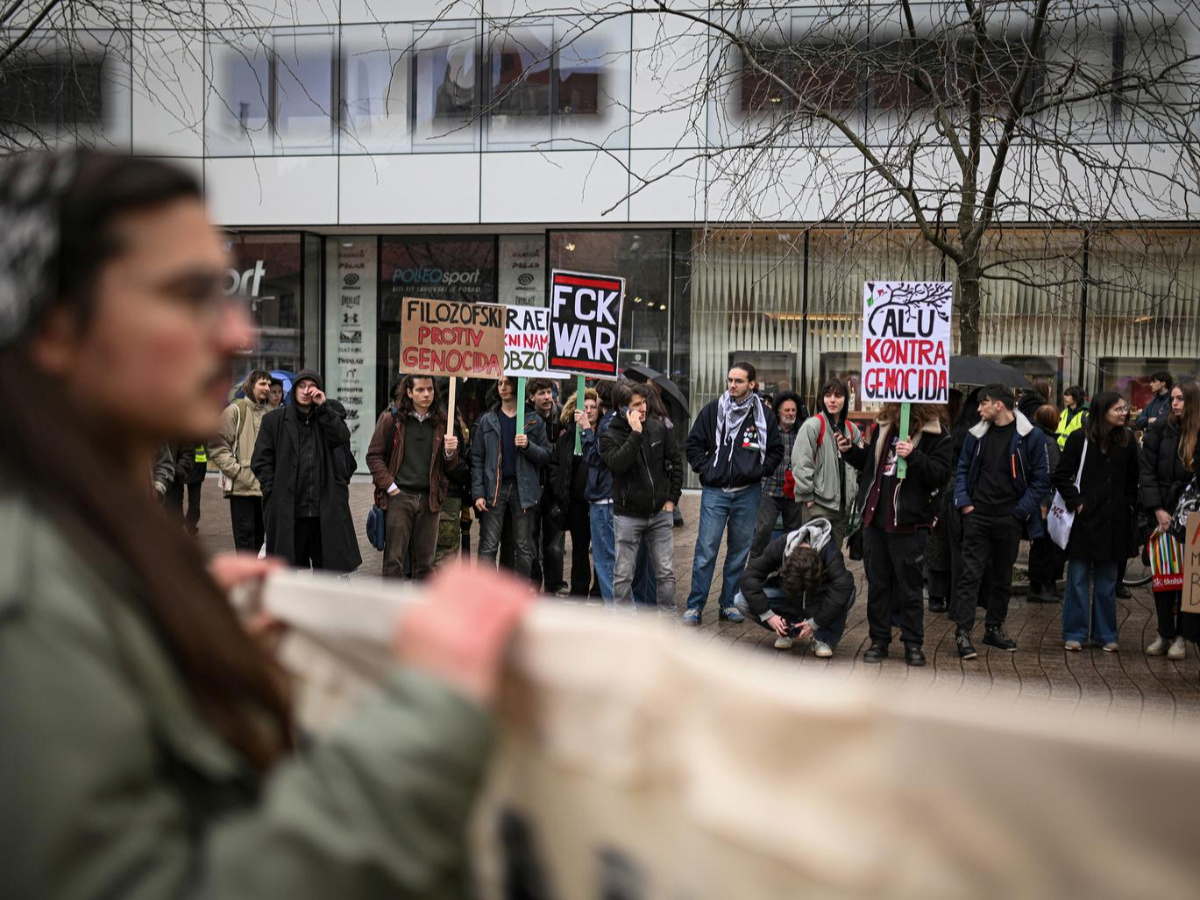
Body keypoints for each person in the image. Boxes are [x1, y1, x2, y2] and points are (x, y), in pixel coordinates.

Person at [0, 150, 531, 899]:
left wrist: (181, 659)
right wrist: (431, 708)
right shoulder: (22, 601)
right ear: (55, 328)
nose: (234, 333)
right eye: (187, 295)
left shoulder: (89, 547)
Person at [844, 403, 953, 666]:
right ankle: (879, 640)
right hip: (877, 522)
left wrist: (914, 455)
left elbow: (940, 475)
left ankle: (913, 643)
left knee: (910, 588)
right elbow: (872, 464)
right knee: (878, 586)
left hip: (909, 524)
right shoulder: (885, 428)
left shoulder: (938, 435)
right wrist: (851, 453)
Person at [951, 384, 1050, 659]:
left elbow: (1041, 480)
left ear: (999, 405)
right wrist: (966, 503)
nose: (978, 409)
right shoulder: (976, 435)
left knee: (1002, 576)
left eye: (983, 403)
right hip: (978, 515)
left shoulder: (1031, 436)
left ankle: (993, 628)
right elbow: (962, 470)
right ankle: (962, 632)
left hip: (1010, 516)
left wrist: (1020, 511)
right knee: (970, 574)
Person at [683, 362, 784, 625]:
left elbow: (775, 450)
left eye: (739, 381)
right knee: (706, 551)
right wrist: (707, 470)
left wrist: (758, 470)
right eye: (730, 380)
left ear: (752, 384)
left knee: (739, 553)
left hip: (748, 494)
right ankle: (695, 606)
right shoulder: (714, 410)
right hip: (715, 492)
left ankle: (728, 604)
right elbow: (693, 444)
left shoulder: (763, 415)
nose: (732, 385)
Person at [1054, 392, 1140, 652]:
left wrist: (1128, 506)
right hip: (1085, 520)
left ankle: (1105, 634)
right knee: (1078, 579)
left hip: (1114, 521)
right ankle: (1075, 633)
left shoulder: (1128, 440)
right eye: (1118, 409)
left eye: (1125, 408)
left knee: (1107, 581)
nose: (1124, 413)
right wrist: (1077, 502)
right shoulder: (1080, 438)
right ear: (1102, 411)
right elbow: (1061, 475)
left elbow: (1132, 478)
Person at [252, 368, 362, 573]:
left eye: (311, 387)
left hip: (323, 513)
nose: (306, 391)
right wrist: (272, 490)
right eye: (301, 386)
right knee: (289, 572)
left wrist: (324, 407)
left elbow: (341, 437)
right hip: (290, 511)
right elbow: (261, 460)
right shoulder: (274, 421)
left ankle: (321, 605)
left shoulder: (327, 418)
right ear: (293, 390)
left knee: (327, 573)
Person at [366, 375, 461, 580]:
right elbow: (374, 456)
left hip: (430, 499)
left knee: (426, 565)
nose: (426, 394)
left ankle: (421, 611)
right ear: (409, 392)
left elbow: (450, 466)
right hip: (400, 496)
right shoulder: (392, 418)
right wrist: (391, 488)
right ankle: (393, 610)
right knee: (393, 562)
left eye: (429, 389)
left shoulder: (443, 421)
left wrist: (450, 452)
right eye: (420, 390)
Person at [601, 382, 684, 615]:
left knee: (665, 571)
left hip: (659, 513)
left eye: (645, 402)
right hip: (628, 515)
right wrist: (636, 433)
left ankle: (668, 621)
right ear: (622, 408)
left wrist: (672, 499)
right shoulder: (610, 434)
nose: (644, 407)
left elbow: (676, 462)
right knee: (623, 574)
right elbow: (618, 464)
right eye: (637, 404)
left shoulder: (658, 428)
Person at [734, 517, 856, 657]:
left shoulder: (829, 551)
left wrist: (816, 622)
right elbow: (749, 577)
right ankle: (787, 630)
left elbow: (843, 586)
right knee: (741, 600)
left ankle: (823, 639)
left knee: (849, 592)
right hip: (788, 597)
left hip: (817, 599)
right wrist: (768, 615)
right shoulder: (780, 546)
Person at [1139, 380, 1199, 658]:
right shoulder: (1160, 430)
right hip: (1162, 515)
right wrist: (1157, 510)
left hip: (1193, 520)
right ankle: (1165, 633)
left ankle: (1183, 638)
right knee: (1164, 576)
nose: (1174, 403)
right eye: (1173, 398)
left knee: (1190, 580)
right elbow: (1147, 470)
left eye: (1180, 399)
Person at [472, 374, 551, 577]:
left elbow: (546, 455)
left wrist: (527, 445)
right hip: (494, 489)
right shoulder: (488, 420)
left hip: (523, 490)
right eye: (499, 383)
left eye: (507, 383)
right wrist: (478, 492)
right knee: (488, 546)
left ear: (517, 385)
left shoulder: (533, 420)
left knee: (524, 547)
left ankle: (519, 594)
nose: (503, 387)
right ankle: (486, 592)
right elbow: (478, 458)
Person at [792, 377, 863, 551]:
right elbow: (801, 463)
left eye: (838, 395)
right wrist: (808, 498)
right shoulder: (813, 425)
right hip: (817, 506)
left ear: (845, 399)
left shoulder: (851, 429)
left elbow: (859, 465)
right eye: (828, 395)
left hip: (841, 508)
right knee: (812, 557)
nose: (832, 400)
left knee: (833, 559)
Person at [210, 370, 271, 551]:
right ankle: (246, 578)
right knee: (245, 540)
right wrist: (237, 471)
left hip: (265, 489)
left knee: (260, 539)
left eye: (269, 384)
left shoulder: (270, 413)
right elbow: (217, 445)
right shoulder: (235, 411)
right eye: (262, 383)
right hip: (241, 489)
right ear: (250, 386)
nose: (267, 388)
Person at [549, 388, 600, 599]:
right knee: (579, 548)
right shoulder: (568, 436)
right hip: (577, 502)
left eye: (593, 407)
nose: (589, 411)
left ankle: (599, 590)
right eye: (585, 407)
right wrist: (558, 487)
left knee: (600, 549)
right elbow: (555, 464)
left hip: (599, 501)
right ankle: (579, 589)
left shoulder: (605, 433)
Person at [750, 390, 806, 557]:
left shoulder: (802, 431)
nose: (790, 414)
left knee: (794, 535)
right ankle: (754, 569)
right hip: (770, 489)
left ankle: (789, 571)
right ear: (778, 412)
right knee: (763, 530)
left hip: (794, 491)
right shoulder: (768, 430)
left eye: (793, 410)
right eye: (786, 410)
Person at [528, 377, 566, 594]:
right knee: (531, 539)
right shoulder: (528, 419)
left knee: (554, 541)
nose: (546, 397)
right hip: (533, 484)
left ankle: (554, 583)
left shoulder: (561, 417)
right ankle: (534, 582)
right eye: (541, 393)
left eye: (549, 392)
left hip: (554, 487)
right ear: (532, 396)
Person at [1028, 404, 1065, 603]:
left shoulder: (1035, 436)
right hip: (1046, 499)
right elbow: (1050, 473)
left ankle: (1042, 585)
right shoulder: (1048, 441)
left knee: (1042, 543)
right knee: (1046, 544)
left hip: (1040, 497)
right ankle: (1040, 586)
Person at [434, 404, 472, 568]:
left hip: (453, 491)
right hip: (447, 492)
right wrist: (469, 474)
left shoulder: (454, 412)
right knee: (444, 554)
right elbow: (450, 464)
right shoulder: (443, 417)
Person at [165, 442, 207, 535]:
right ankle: (180, 522)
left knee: (194, 500)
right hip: (179, 468)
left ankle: (191, 524)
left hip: (196, 466)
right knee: (177, 499)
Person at [1057, 384, 1088, 450]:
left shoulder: (1085, 414)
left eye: (1068, 395)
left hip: (1074, 450)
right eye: (1065, 395)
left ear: (1076, 397)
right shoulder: (1065, 411)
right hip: (1059, 449)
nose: (1065, 397)